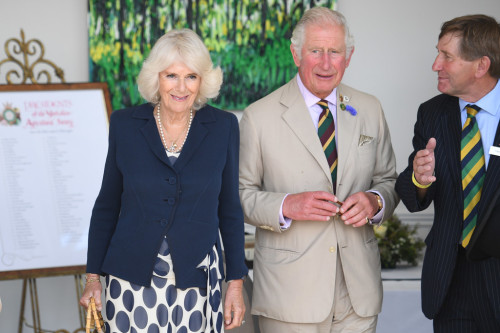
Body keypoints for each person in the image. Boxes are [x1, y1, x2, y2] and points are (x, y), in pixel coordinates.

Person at [239, 7, 399, 333]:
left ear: (348, 56)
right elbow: (238, 195)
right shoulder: (259, 116)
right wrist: (287, 206)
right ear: (296, 53)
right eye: (316, 51)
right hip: (289, 296)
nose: (326, 63)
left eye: (335, 52)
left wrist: (375, 201)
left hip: (359, 294)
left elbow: (389, 181)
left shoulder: (370, 108)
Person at [79, 28, 248, 332]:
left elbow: (230, 209)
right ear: (156, 77)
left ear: (203, 80)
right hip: (130, 281)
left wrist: (235, 282)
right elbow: (106, 205)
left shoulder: (223, 127)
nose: (181, 87)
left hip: (196, 280)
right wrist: (93, 278)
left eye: (191, 76)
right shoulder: (124, 125)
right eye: (171, 75)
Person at [396, 14, 500, 332]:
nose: (435, 65)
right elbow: (414, 198)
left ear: (481, 65)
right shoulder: (432, 113)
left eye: (447, 56)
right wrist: (418, 178)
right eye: (437, 53)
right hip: (450, 281)